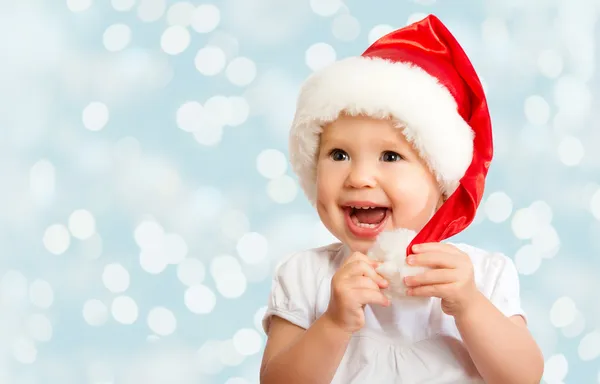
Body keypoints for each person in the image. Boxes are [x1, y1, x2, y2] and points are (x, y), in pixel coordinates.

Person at [259, 14, 544, 384]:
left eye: (390, 157)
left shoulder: (482, 276)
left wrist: (470, 305)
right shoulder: (305, 276)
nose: (359, 178)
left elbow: (524, 377)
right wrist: (333, 323)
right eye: (339, 155)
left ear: (441, 183)